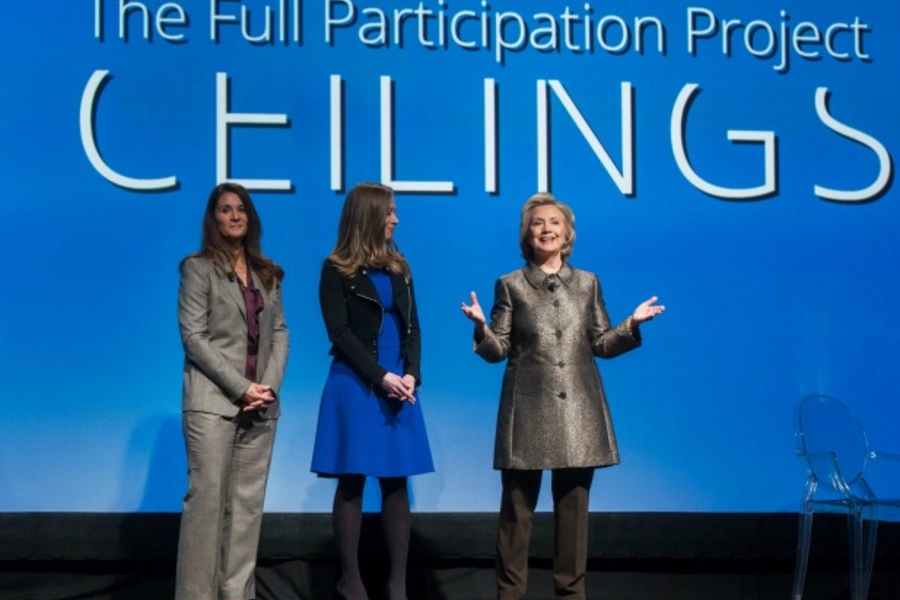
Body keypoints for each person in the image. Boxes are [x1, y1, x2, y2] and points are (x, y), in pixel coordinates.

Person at [460, 192, 663, 600]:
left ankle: (571, 595)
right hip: (527, 410)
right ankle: (510, 595)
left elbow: (602, 344)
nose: (547, 229)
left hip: (578, 415)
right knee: (516, 517)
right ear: (527, 234)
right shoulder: (510, 285)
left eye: (555, 222)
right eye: (538, 223)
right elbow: (497, 350)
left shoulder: (588, 283)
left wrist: (632, 324)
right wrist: (482, 329)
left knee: (573, 518)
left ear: (567, 233)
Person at [311, 182, 434, 600]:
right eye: (389, 212)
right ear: (368, 216)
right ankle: (351, 581)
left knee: (396, 481)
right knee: (352, 479)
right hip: (357, 381)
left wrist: (411, 374)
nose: (395, 219)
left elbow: (413, 326)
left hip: (400, 382)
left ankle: (397, 585)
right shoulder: (335, 269)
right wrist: (380, 376)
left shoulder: (400, 266)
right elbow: (340, 333)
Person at [175, 182, 289, 600]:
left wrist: (267, 389)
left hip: (260, 409)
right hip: (212, 405)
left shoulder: (268, 272)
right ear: (213, 218)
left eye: (241, 208)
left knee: (245, 514)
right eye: (225, 209)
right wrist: (241, 387)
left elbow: (279, 333)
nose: (235, 215)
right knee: (206, 510)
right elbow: (194, 337)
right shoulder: (197, 268)